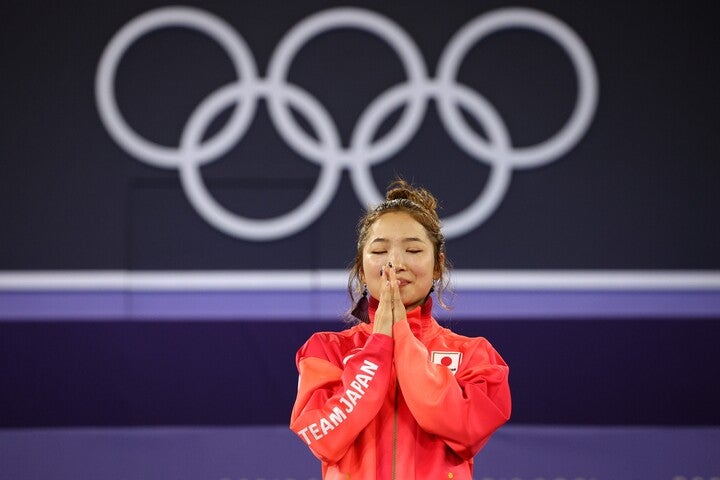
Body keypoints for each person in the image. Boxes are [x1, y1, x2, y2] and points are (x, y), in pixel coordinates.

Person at [290, 179, 511, 479]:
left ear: (437, 266)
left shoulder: (476, 356)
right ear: (361, 268)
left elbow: (462, 429)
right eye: (379, 252)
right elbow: (326, 438)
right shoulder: (325, 351)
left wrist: (402, 338)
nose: (395, 263)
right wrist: (378, 347)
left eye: (413, 250)